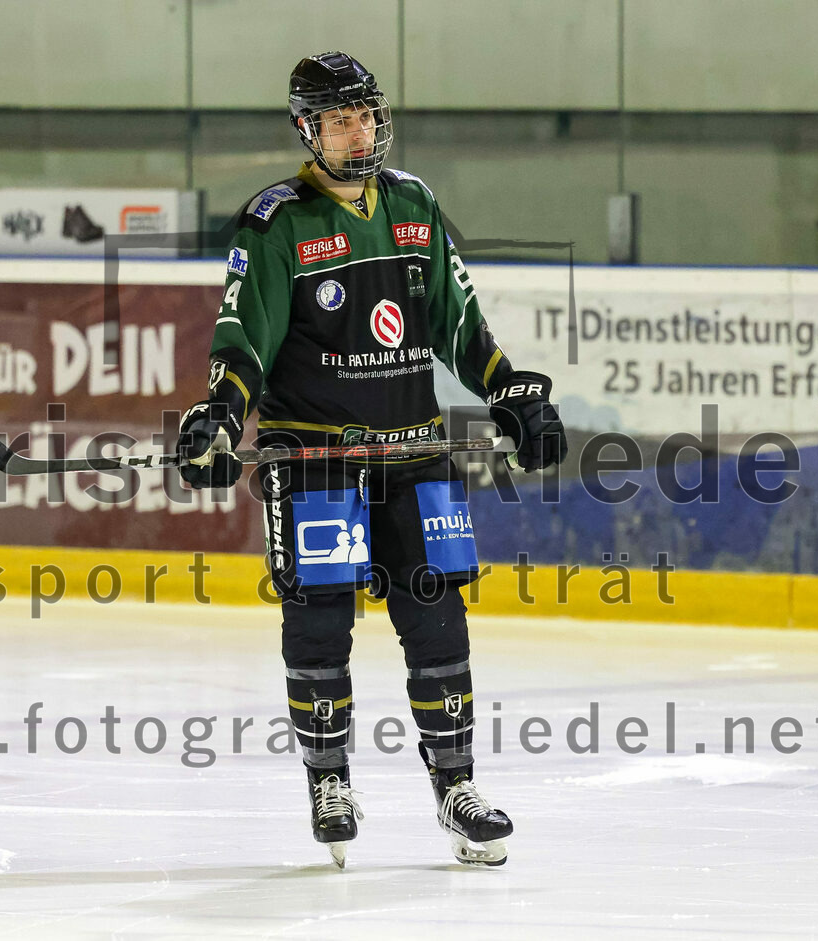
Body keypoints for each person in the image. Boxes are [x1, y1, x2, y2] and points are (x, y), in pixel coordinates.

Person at [175, 51, 567, 869]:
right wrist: (220, 413)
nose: (360, 131)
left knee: (439, 618)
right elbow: (244, 335)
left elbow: (460, 326)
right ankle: (329, 779)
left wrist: (510, 392)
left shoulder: (415, 204)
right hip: (314, 459)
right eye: (341, 118)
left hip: (413, 450)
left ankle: (455, 786)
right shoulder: (277, 221)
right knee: (319, 616)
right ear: (307, 129)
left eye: (367, 114)